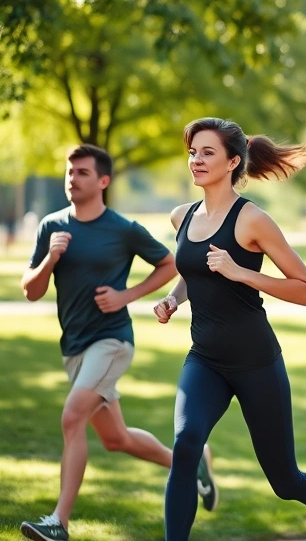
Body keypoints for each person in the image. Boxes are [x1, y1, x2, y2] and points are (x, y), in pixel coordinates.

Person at [154, 118, 306, 541]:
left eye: (207, 153)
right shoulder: (181, 217)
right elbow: (194, 272)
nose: (196, 160)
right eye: (192, 152)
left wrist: (243, 273)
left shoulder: (252, 220)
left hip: (255, 361)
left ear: (232, 162)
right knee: (185, 447)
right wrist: (174, 298)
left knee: (285, 480)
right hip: (204, 358)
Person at [19, 144, 213, 541]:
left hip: (111, 342)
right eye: (69, 172)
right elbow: (31, 291)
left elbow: (171, 263)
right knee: (116, 439)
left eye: (82, 173)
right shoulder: (52, 227)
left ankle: (58, 522)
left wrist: (127, 296)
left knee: (72, 417)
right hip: (74, 346)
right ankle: (193, 462)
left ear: (103, 181)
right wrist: (50, 260)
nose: (72, 179)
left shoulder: (123, 229)